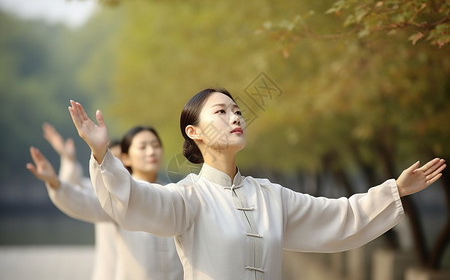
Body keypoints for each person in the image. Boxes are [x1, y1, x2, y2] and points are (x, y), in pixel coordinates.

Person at [68, 88, 446, 280]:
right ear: (193, 131)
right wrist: (103, 156)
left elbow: (339, 216)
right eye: (221, 111)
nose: (235, 117)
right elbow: (136, 201)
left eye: (238, 111)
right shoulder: (188, 198)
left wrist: (394, 190)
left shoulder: (271, 196)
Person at [26, 123, 183, 280]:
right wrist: (56, 182)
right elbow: (84, 201)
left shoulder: (174, 193)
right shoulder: (120, 195)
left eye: (156, 146)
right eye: (142, 147)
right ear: (125, 158)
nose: (151, 152)